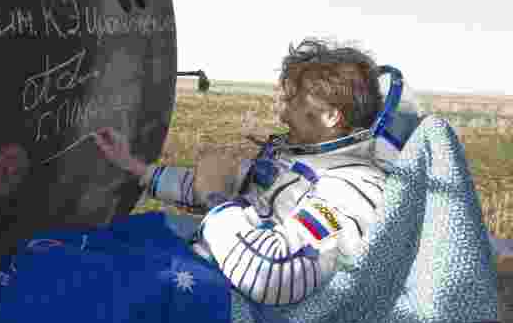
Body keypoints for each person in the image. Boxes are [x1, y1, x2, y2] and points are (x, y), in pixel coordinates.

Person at [95, 37, 392, 306]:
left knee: (87, 279)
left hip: (235, 314)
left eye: (292, 101)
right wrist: (134, 166)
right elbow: (217, 185)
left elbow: (274, 274)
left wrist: (216, 200)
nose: (283, 112)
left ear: (330, 116)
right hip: (209, 266)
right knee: (104, 241)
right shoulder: (302, 159)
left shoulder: (351, 188)